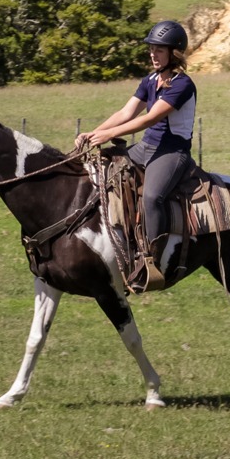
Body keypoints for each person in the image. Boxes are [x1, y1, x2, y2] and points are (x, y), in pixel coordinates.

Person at [76, 21, 197, 292]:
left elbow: (149, 118)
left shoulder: (182, 85)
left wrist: (109, 135)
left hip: (171, 153)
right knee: (102, 168)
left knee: (153, 196)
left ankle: (152, 262)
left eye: (159, 50)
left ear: (174, 53)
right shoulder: (150, 81)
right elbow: (126, 113)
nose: (153, 55)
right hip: (145, 148)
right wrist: (94, 132)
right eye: (151, 49)